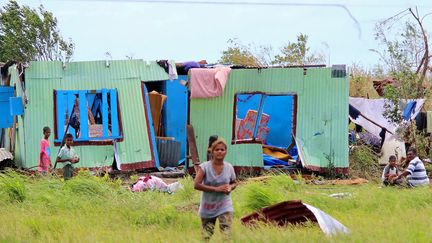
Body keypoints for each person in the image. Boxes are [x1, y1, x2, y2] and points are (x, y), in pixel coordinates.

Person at [194, 138, 237, 241]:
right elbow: (196, 184)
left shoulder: (229, 167)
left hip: (224, 205)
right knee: (207, 235)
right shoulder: (204, 167)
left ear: (226, 151)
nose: (220, 152)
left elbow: (234, 182)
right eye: (217, 149)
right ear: (212, 152)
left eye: (222, 149)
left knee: (226, 233)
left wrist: (230, 187)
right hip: (208, 206)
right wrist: (216, 189)